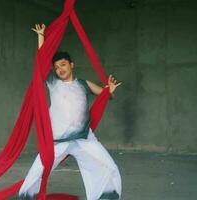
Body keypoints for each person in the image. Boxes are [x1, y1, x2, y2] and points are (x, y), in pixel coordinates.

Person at [18, 24, 122, 200]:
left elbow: (106, 96)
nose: (60, 69)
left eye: (63, 65)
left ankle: (105, 196)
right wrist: (41, 37)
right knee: (38, 171)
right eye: (57, 67)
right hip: (58, 141)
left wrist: (109, 90)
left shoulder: (84, 84)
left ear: (71, 64)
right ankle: (28, 196)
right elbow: (42, 61)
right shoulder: (53, 82)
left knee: (108, 167)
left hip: (84, 138)